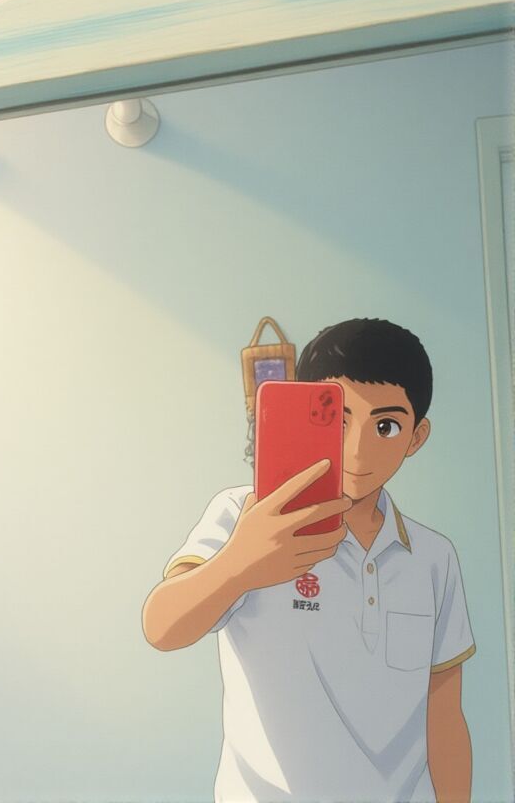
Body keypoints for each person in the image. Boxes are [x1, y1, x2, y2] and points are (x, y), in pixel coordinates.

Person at [142, 318, 475, 803]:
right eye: (338, 419)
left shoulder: (433, 557)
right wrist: (241, 563)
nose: (359, 450)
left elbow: (444, 717)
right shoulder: (244, 514)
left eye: (386, 426)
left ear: (416, 437)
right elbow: (161, 627)